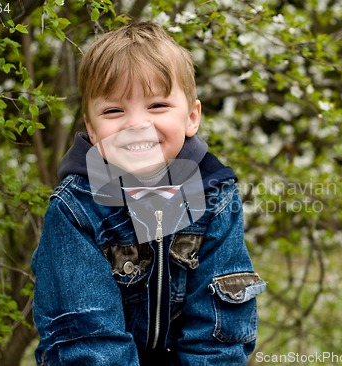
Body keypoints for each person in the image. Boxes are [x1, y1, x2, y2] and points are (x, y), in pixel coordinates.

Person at [31, 21, 266, 366]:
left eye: (157, 106)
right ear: (92, 129)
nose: (136, 125)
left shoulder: (215, 198)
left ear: (192, 117)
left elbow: (219, 335)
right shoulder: (75, 210)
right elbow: (88, 344)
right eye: (114, 111)